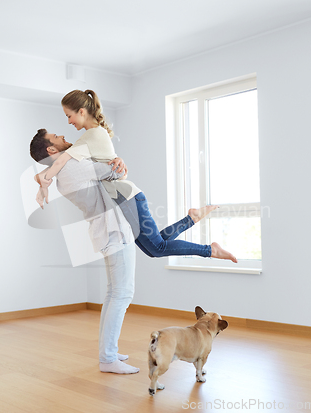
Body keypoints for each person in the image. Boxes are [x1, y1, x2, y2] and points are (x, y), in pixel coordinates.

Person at [35, 89, 237, 263]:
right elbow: (60, 163)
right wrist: (42, 179)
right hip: (126, 194)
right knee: (155, 246)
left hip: (125, 196)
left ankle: (210, 250)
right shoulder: (91, 135)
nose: (68, 122)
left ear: (81, 112)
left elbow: (61, 162)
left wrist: (44, 182)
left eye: (69, 115)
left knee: (156, 248)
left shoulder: (90, 136)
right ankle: (191, 219)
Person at [30, 131, 139, 374]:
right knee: (122, 294)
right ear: (51, 150)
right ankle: (108, 358)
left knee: (114, 294)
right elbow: (116, 171)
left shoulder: (63, 172)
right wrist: (117, 162)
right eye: (55, 136)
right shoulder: (71, 168)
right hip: (113, 231)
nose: (62, 134)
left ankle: (108, 352)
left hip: (106, 231)